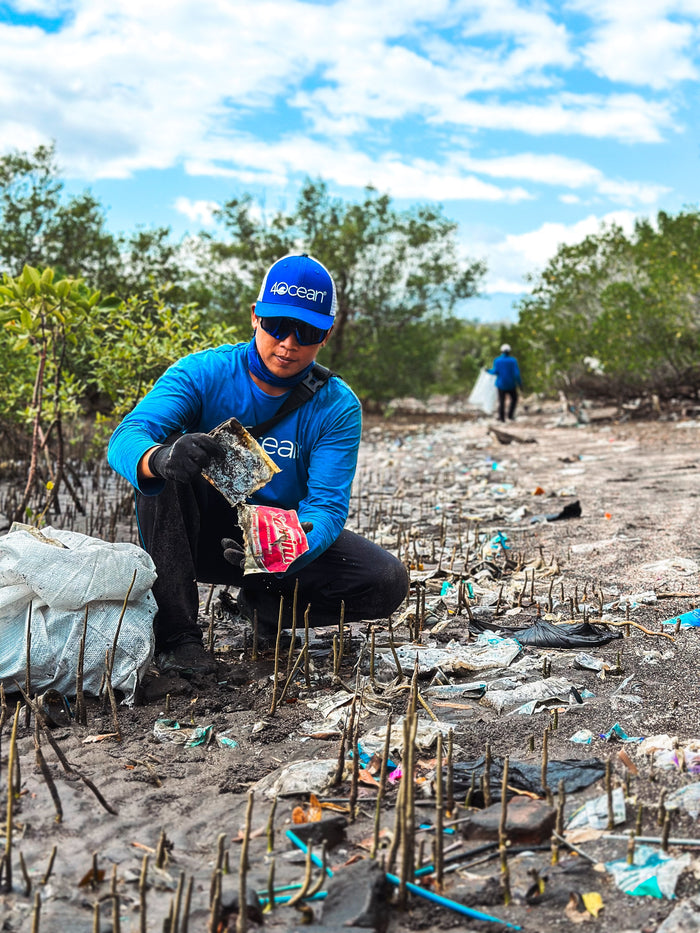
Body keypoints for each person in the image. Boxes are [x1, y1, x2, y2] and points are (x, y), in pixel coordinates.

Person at [108, 254, 409, 674]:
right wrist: (159, 459)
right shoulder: (203, 373)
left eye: (307, 331)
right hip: (197, 537)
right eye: (277, 325)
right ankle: (177, 637)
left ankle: (264, 607)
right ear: (255, 316)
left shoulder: (337, 406)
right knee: (169, 459)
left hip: (278, 543)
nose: (289, 343)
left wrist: (294, 547)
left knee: (386, 580)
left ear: (326, 334)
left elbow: (326, 507)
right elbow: (126, 437)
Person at [487, 343, 522, 422]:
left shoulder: (497, 360)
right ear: (509, 351)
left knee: (501, 401)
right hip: (511, 384)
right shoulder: (513, 360)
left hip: (501, 384)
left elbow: (494, 371)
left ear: (501, 351)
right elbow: (516, 374)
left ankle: (502, 418)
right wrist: (520, 384)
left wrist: (488, 370)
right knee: (514, 399)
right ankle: (510, 415)